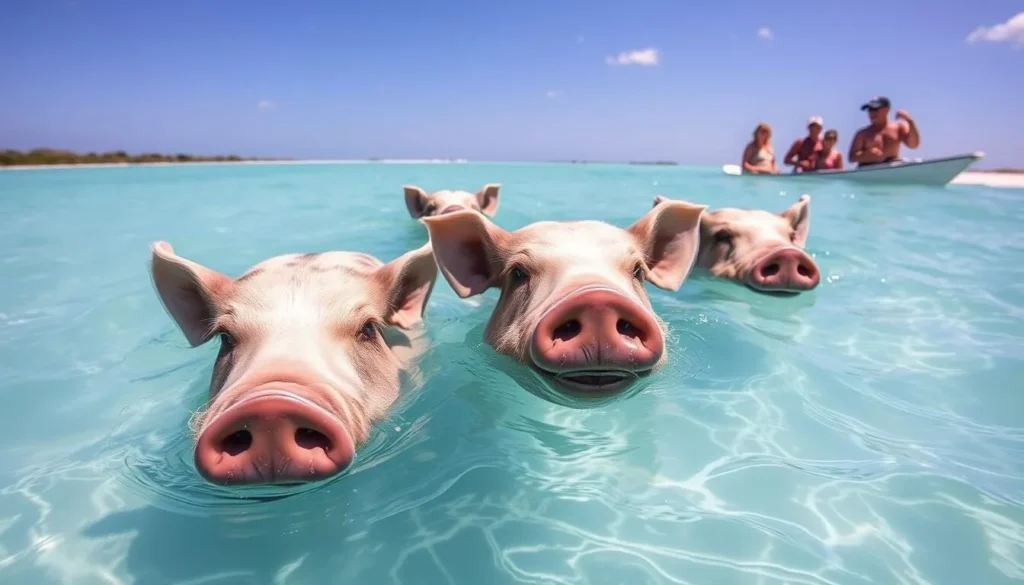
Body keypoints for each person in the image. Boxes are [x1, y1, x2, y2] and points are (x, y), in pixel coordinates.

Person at [848, 96, 921, 168]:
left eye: (875, 109)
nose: (871, 113)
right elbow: (851, 157)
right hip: (868, 172)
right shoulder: (862, 133)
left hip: (890, 171)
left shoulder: (898, 128)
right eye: (869, 110)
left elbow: (913, 145)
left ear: (887, 110)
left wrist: (910, 121)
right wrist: (865, 155)